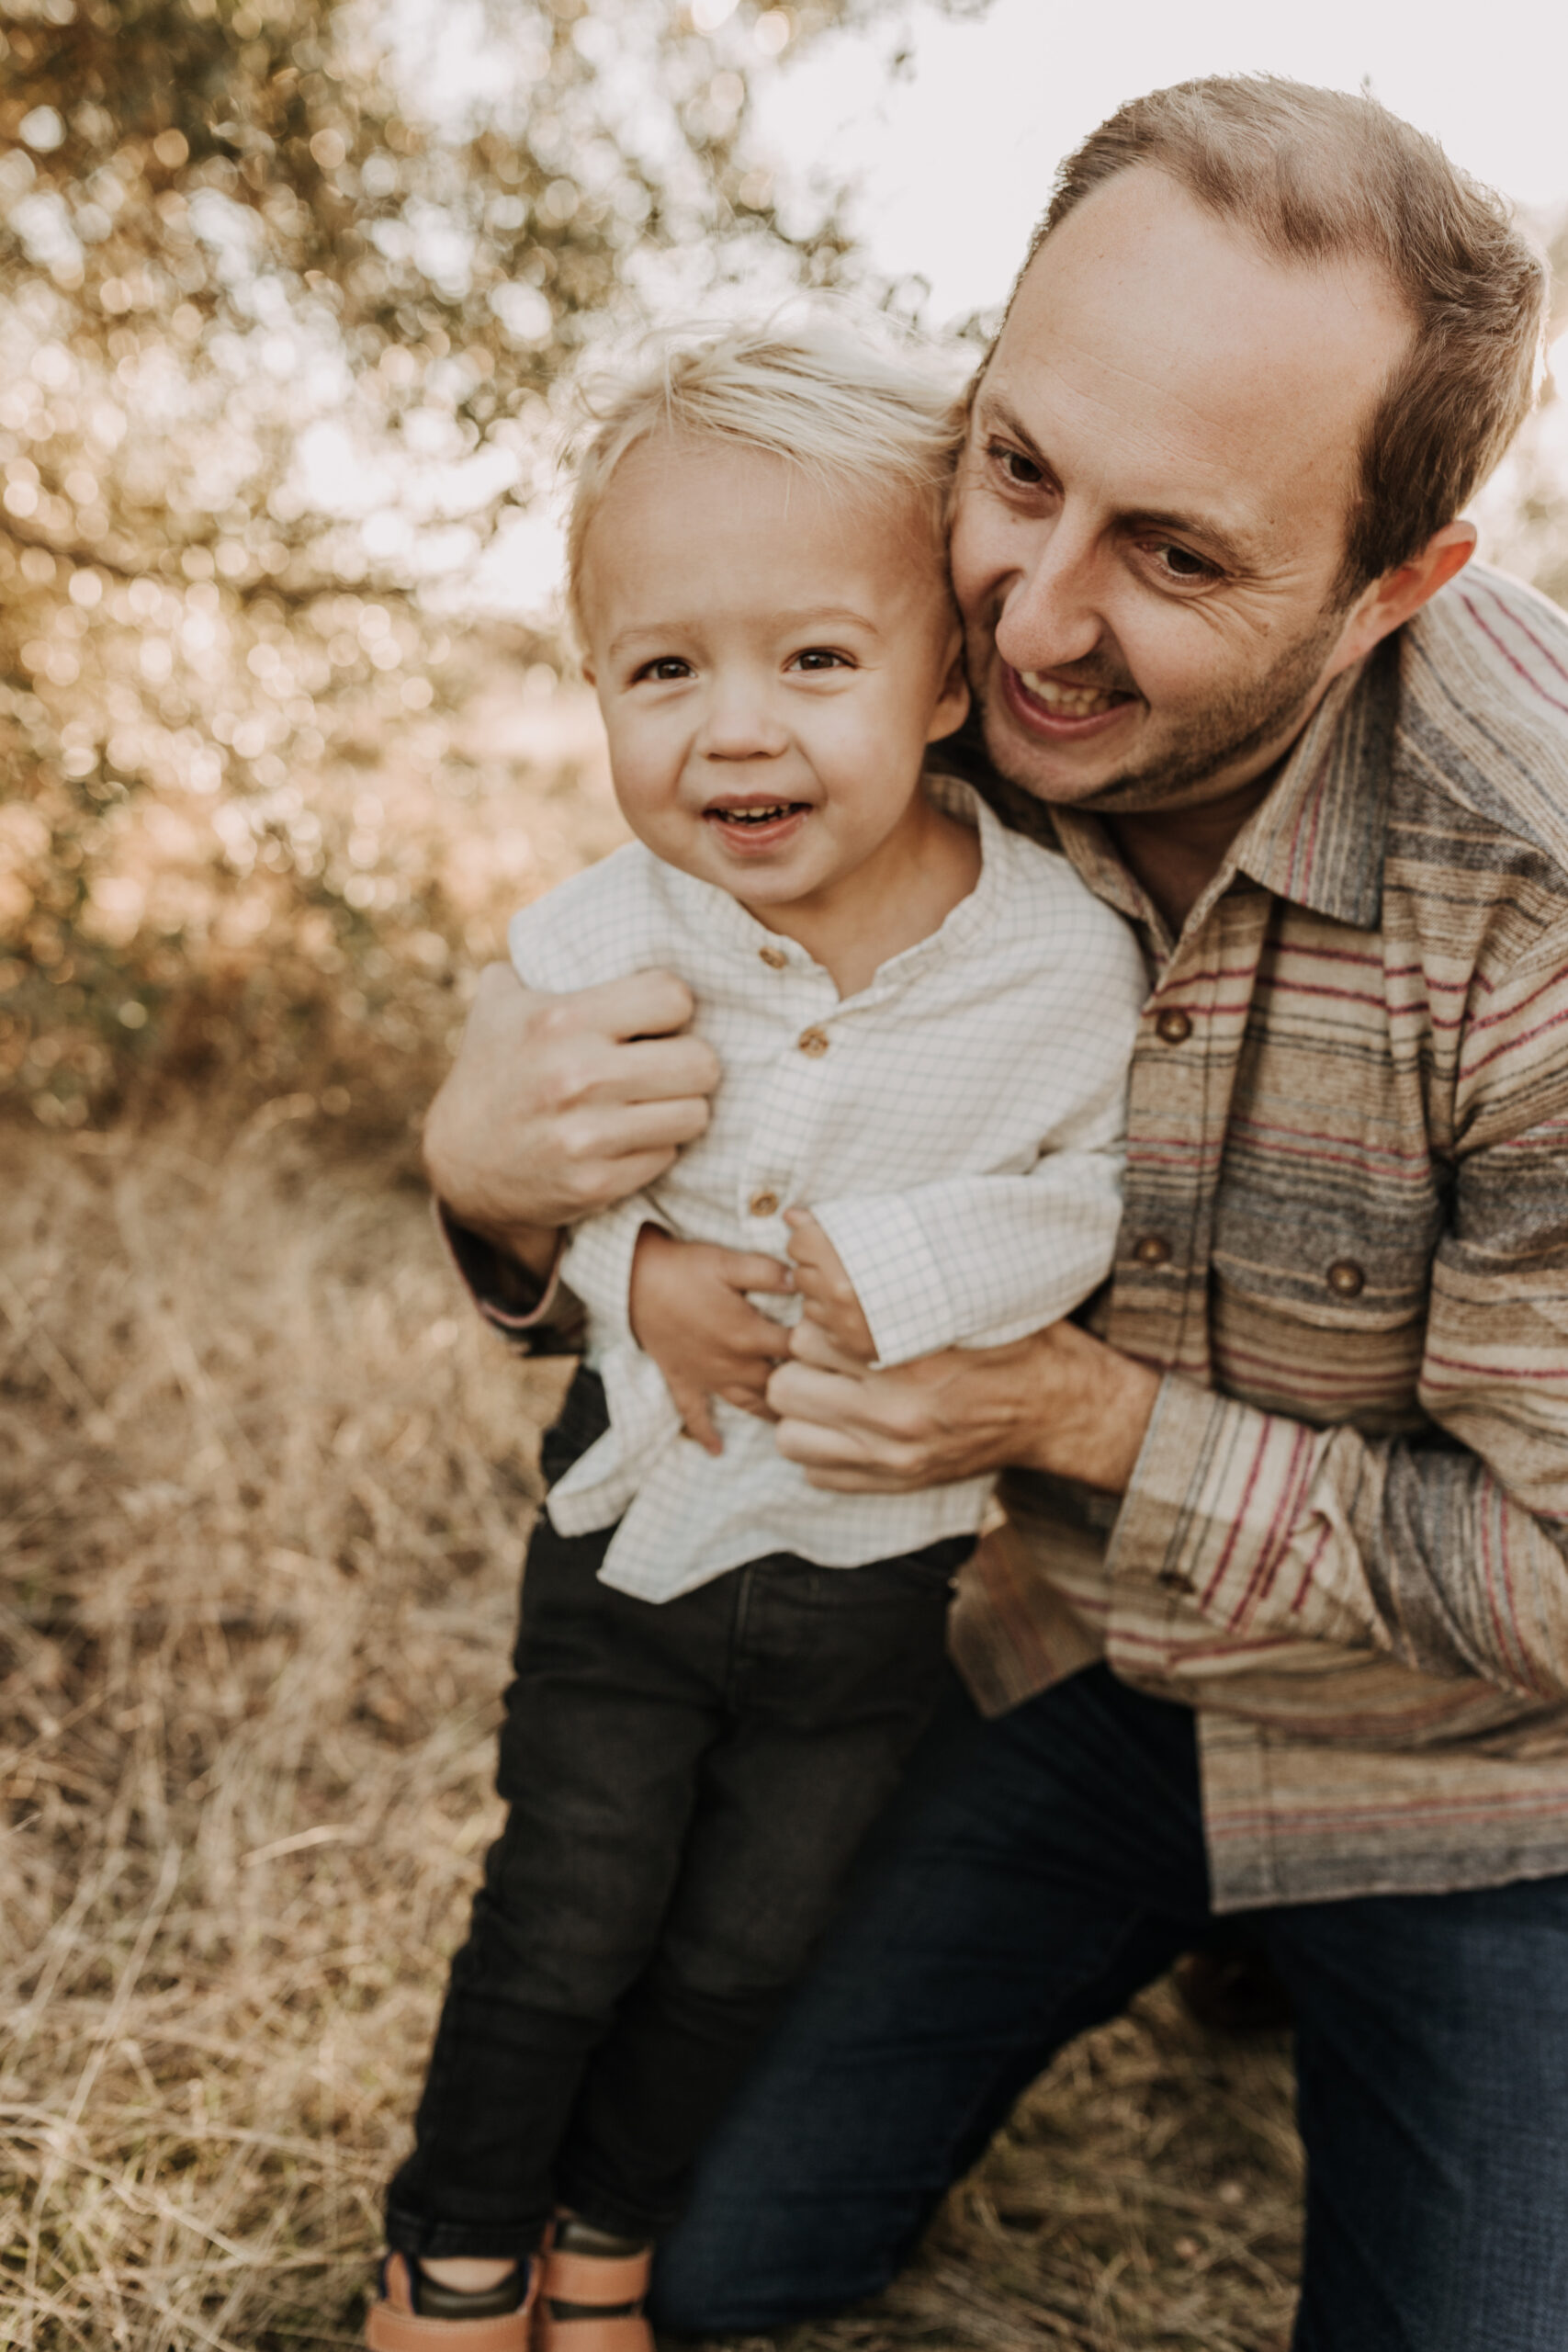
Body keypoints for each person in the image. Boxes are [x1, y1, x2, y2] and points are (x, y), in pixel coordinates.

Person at [423, 78, 1568, 2350]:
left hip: (1471, 1786)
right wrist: (494, 1191)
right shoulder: (878, 673)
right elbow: (690, 1113)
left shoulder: (1532, 909)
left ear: (1391, 581)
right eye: (1018, 465)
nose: (1032, 616)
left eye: (1173, 553)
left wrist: (1072, 1405)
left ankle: (1304, 1956)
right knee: (725, 2257)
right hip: (1066, 1669)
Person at [365, 327, 1146, 2352]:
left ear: (946, 679)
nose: (738, 730)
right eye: (662, 668)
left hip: (873, 1580)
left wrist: (902, 1261)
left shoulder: (1058, 963)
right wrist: (632, 1278)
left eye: (813, 659)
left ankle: (607, 2243)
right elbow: (535, 1155)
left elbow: (1082, 1193)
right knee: (565, 1910)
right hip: (631, 1542)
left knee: (747, 1936)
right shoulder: (598, 940)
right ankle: (454, 2249)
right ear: (598, 684)